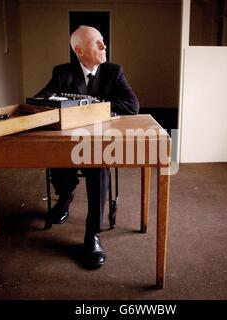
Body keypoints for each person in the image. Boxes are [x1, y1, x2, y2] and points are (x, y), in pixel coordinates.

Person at [34, 26, 139, 268]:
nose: (104, 47)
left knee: (99, 165)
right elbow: (41, 102)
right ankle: (65, 197)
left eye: (103, 41)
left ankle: (93, 234)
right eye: (97, 43)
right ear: (79, 51)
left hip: (99, 144)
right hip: (69, 144)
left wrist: (89, 107)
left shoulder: (114, 72)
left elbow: (132, 105)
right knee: (57, 158)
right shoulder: (62, 73)